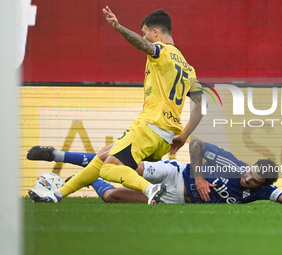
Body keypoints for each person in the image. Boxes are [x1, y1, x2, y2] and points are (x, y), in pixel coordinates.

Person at [28, 6, 203, 204]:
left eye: (145, 33)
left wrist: (119, 27)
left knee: (108, 169)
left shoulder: (162, 51)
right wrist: (184, 137)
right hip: (166, 139)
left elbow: (144, 46)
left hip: (149, 127)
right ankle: (56, 195)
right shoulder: (189, 69)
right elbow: (202, 104)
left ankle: (150, 188)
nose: (144, 38)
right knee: (102, 156)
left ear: (155, 32)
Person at [27, 144, 282, 205]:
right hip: (175, 175)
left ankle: (89, 174)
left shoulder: (261, 192)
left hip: (175, 199)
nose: (247, 180)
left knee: (110, 196)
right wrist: (200, 176)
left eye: (253, 181)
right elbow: (198, 145)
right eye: (249, 173)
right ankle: (58, 155)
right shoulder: (232, 163)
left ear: (262, 184)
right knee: (124, 164)